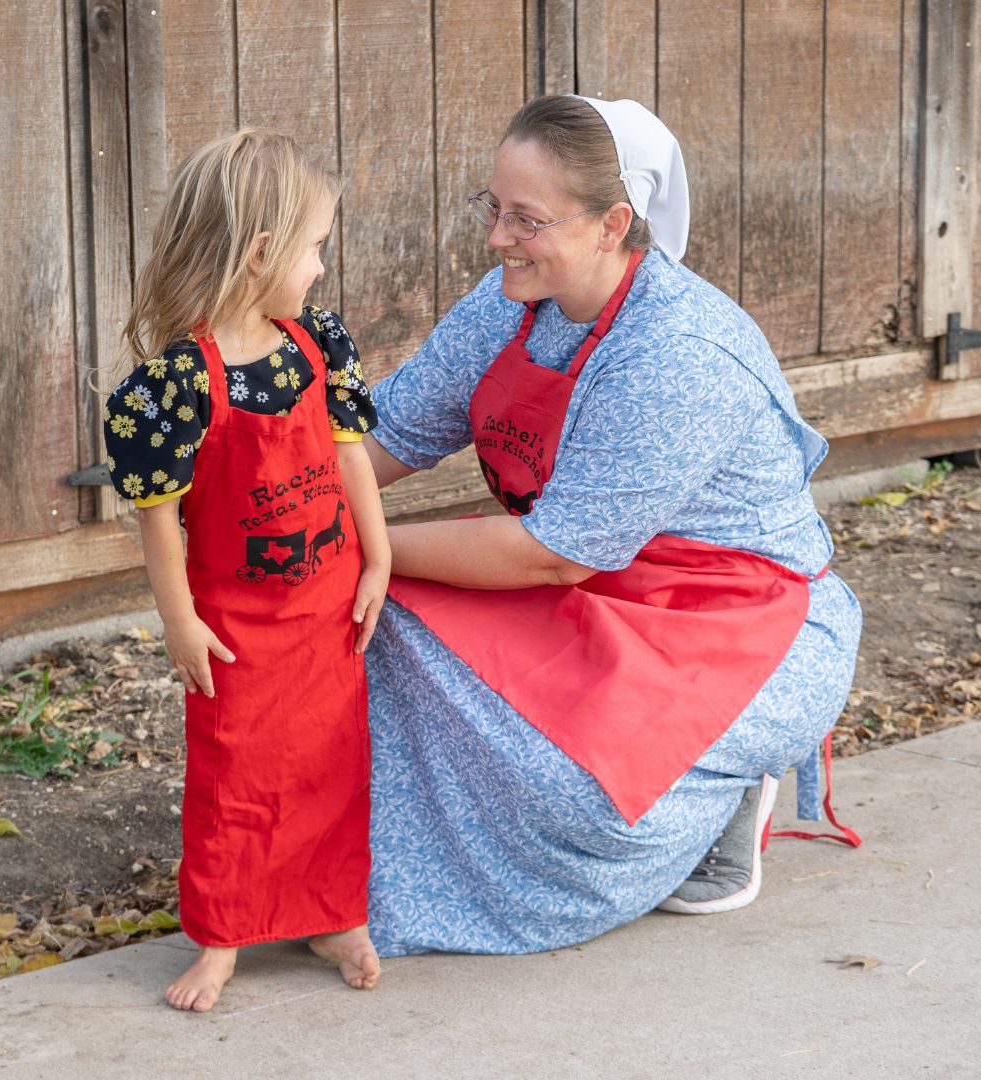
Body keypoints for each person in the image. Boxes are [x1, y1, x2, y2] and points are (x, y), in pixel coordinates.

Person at [360, 95, 862, 956]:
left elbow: (551, 554)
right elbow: (389, 438)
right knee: (371, 621)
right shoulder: (507, 301)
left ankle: (715, 798)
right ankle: (339, 866)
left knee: (573, 789)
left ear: (613, 224)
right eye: (493, 209)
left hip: (737, 621)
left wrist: (355, 550)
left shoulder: (679, 352)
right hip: (594, 585)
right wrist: (275, 516)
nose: (496, 239)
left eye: (526, 218)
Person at [103, 129, 389, 1009]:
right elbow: (160, 525)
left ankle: (333, 913)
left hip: (327, 612)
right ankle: (224, 936)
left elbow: (349, 458)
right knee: (235, 779)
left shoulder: (315, 346)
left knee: (331, 768)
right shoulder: (178, 385)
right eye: (314, 248)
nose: (318, 267)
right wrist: (179, 619)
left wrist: (377, 555)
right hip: (237, 631)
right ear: (261, 252)